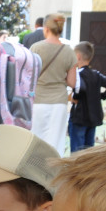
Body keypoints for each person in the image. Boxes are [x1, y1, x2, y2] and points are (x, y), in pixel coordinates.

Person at [30, 13, 77, 155]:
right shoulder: (69, 51)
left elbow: (30, 77)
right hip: (59, 102)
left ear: (46, 28)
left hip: (38, 100)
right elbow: (72, 82)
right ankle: (52, 174)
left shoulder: (35, 48)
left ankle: (32, 171)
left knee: (35, 139)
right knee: (56, 141)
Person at [68, 41, 106, 153]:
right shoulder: (96, 74)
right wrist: (100, 96)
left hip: (79, 116)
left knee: (77, 152)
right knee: (88, 152)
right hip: (93, 117)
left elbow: (80, 89)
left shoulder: (78, 74)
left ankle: (76, 170)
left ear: (78, 56)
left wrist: (75, 96)